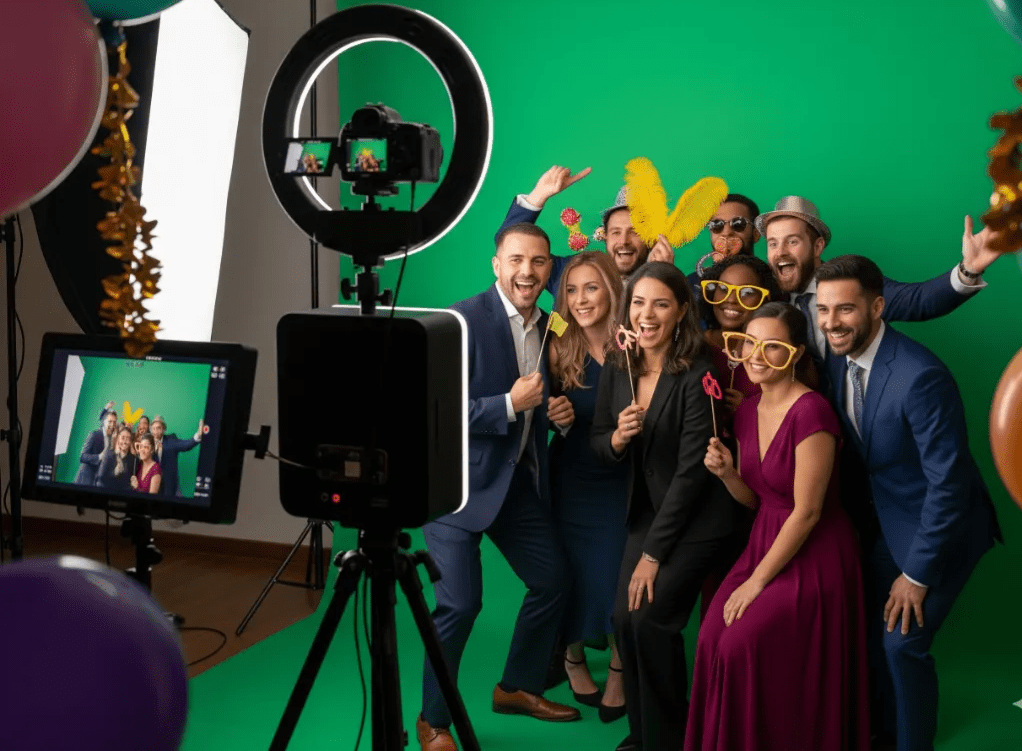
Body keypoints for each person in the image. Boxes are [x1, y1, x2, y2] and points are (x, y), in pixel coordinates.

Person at [815, 255, 1002, 751]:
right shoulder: (839, 356)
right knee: (868, 630)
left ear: (878, 307)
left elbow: (950, 485)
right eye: (824, 310)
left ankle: (913, 742)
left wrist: (916, 576)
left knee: (901, 643)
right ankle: (879, 731)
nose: (832, 323)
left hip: (946, 526)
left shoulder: (921, 377)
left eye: (846, 310)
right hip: (890, 517)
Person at [416, 222, 580, 751]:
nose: (526, 272)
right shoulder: (459, 321)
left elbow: (541, 396)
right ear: (496, 264)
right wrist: (509, 405)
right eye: (515, 260)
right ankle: (432, 721)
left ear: (549, 267)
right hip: (455, 490)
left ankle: (516, 687)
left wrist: (555, 412)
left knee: (554, 581)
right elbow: (429, 413)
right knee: (460, 607)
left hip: (515, 486)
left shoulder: (552, 323)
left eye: (537, 262)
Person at [686, 302, 870, 751]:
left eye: (772, 347)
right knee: (711, 636)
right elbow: (759, 498)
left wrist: (755, 585)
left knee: (738, 645)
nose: (756, 355)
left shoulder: (812, 412)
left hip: (816, 552)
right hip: (765, 540)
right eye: (751, 343)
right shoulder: (746, 411)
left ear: (795, 352)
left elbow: (806, 512)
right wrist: (729, 473)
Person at [590, 262, 736, 751]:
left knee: (650, 620)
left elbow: (693, 473)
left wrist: (651, 557)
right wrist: (616, 436)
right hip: (649, 511)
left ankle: (669, 739)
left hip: (701, 516)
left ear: (680, 312)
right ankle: (646, 734)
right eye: (637, 302)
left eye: (660, 304)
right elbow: (596, 440)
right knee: (623, 620)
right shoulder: (619, 363)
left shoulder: (699, 371)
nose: (646, 315)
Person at [756, 196, 996, 370]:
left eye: (792, 242)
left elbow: (917, 300)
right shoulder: (770, 298)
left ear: (818, 246)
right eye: (773, 244)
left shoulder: (852, 283)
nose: (781, 252)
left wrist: (969, 268)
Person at [547, 251, 629, 721]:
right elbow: (543, 410)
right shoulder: (559, 346)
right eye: (572, 290)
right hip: (573, 479)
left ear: (611, 290)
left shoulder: (633, 342)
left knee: (619, 575)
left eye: (591, 287)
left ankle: (620, 667)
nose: (581, 299)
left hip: (623, 478)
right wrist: (554, 417)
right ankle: (572, 655)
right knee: (574, 573)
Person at [496, 165, 674, 297]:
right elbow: (508, 247)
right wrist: (537, 197)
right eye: (615, 232)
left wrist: (662, 275)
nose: (624, 241)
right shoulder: (570, 271)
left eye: (634, 232)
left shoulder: (672, 286)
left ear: (651, 239)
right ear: (605, 237)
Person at [687, 193, 761, 294]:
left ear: (755, 234)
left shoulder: (773, 282)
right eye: (717, 225)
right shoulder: (691, 285)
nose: (726, 232)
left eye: (738, 224)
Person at [150, 415, 203, 497]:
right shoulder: (148, 443)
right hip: (153, 485)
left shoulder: (171, 440)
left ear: (163, 429)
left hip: (170, 485)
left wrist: (198, 435)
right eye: (153, 428)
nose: (156, 431)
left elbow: (186, 445)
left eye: (158, 428)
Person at [75, 408, 118, 486]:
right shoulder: (94, 434)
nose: (112, 425)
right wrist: (99, 457)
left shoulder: (113, 439)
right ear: (104, 422)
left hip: (98, 482)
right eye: (110, 421)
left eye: (114, 422)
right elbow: (82, 456)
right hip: (85, 480)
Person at [96, 425, 136, 492]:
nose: (125, 442)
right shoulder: (109, 454)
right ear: (118, 439)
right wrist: (114, 473)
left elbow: (130, 483)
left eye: (128, 439)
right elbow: (100, 477)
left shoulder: (133, 459)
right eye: (123, 438)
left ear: (130, 442)